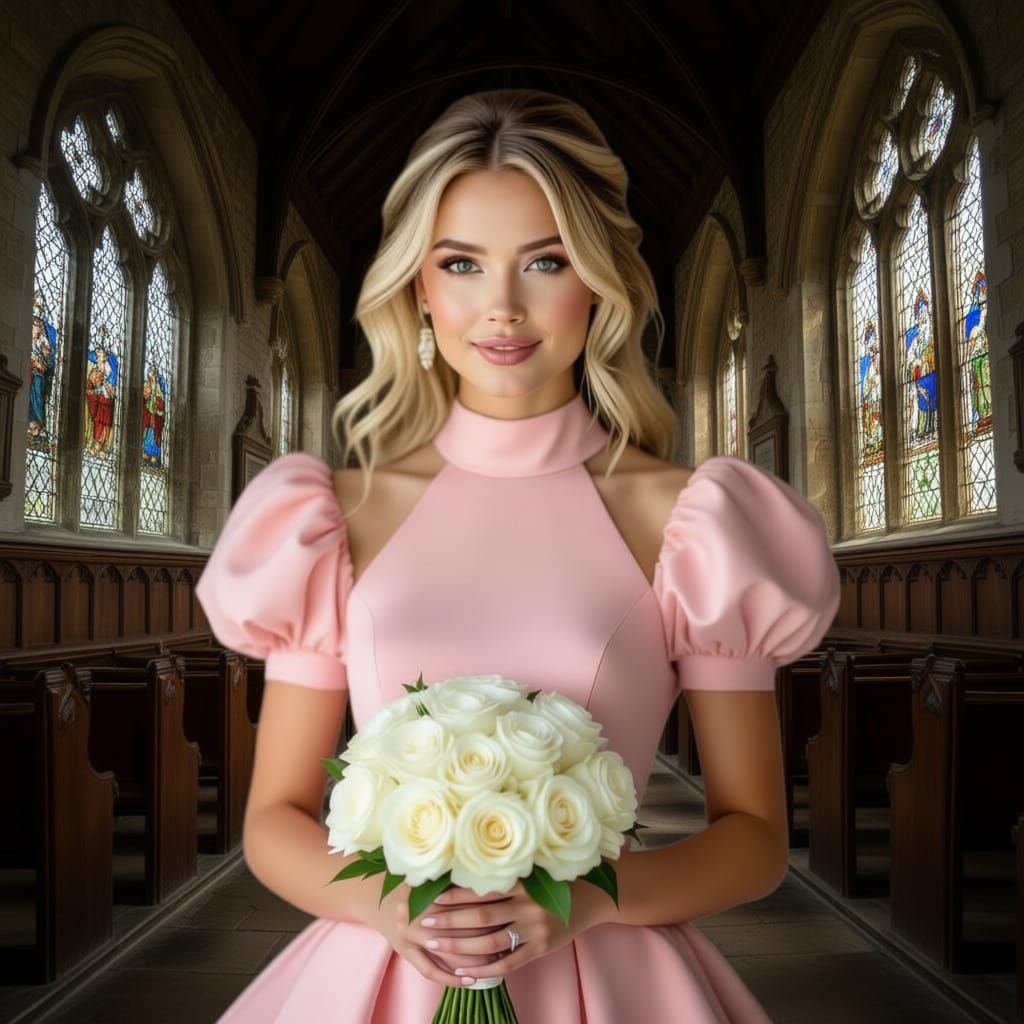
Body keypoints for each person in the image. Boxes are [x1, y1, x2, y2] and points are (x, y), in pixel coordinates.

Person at [195, 88, 840, 1023]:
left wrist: (582, 904)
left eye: (546, 260)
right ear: (420, 288)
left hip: (609, 973)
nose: (501, 307)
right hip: (382, 971)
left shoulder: (690, 522)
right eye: (461, 263)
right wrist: (387, 906)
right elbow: (272, 822)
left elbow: (755, 841)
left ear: (599, 282)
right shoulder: (336, 518)